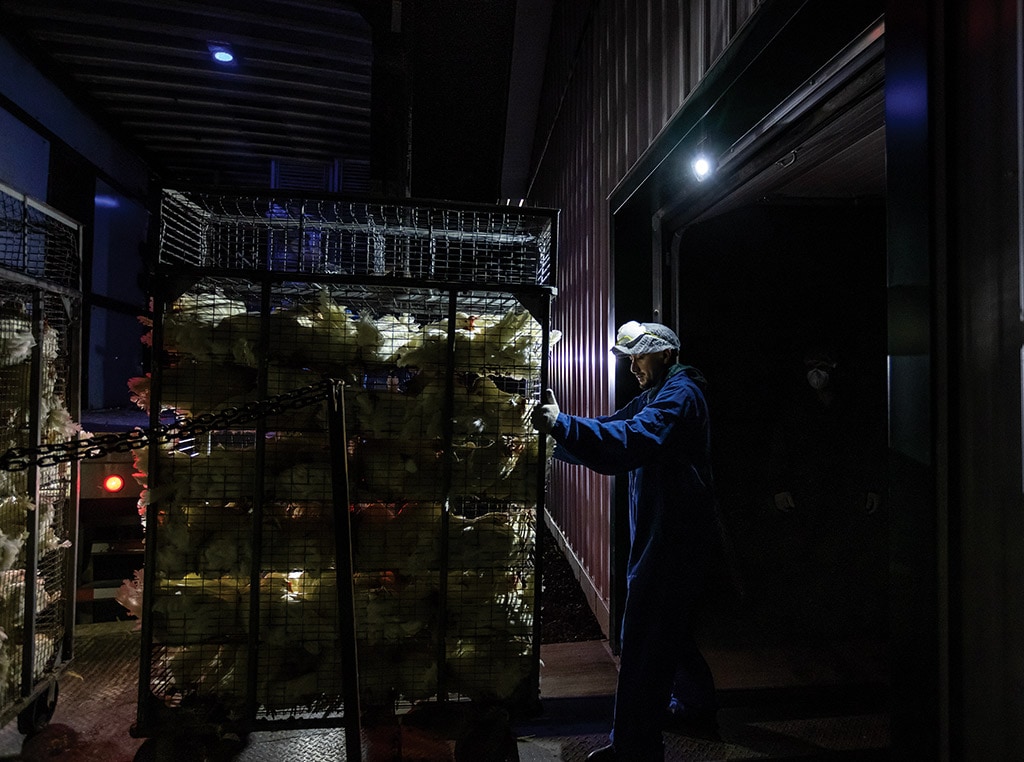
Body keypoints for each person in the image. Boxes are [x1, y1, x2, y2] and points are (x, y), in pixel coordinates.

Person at [532, 320, 719, 761]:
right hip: (666, 531)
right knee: (669, 627)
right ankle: (696, 704)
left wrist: (564, 425)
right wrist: (561, 431)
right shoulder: (657, 395)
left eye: (638, 355)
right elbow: (614, 426)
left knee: (645, 634)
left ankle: (636, 747)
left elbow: (633, 438)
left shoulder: (679, 395)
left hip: (672, 537)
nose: (631, 365)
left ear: (666, 354)